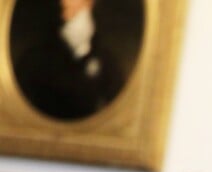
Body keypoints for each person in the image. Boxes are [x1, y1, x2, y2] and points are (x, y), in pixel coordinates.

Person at [11, 0, 142, 120]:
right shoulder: (34, 60)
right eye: (69, 10)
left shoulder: (107, 63)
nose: (75, 16)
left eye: (81, 8)